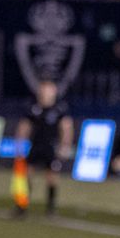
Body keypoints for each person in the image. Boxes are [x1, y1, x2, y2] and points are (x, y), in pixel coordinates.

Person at [13, 79, 74, 217]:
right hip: (35, 146)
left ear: (54, 91)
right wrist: (19, 143)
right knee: (26, 175)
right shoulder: (34, 108)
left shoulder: (59, 109)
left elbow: (66, 127)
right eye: (43, 89)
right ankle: (21, 206)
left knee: (52, 177)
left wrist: (65, 145)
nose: (45, 92)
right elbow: (24, 126)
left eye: (48, 89)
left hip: (51, 147)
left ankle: (51, 208)